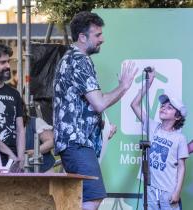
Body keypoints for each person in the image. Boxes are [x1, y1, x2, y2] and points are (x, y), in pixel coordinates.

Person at [53, 11, 137, 210]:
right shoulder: (79, 60)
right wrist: (124, 86)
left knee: (84, 197)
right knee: (92, 197)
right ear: (82, 37)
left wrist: (104, 126)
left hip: (76, 143)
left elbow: (82, 105)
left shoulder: (72, 59)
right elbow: (98, 103)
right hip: (76, 143)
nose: (102, 39)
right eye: (97, 35)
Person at [131, 71, 189, 210]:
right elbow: (134, 105)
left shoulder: (179, 138)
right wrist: (147, 85)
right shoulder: (152, 127)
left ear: (178, 117)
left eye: (169, 108)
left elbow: (181, 167)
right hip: (150, 188)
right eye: (163, 105)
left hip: (168, 191)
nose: (163, 108)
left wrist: (177, 192)